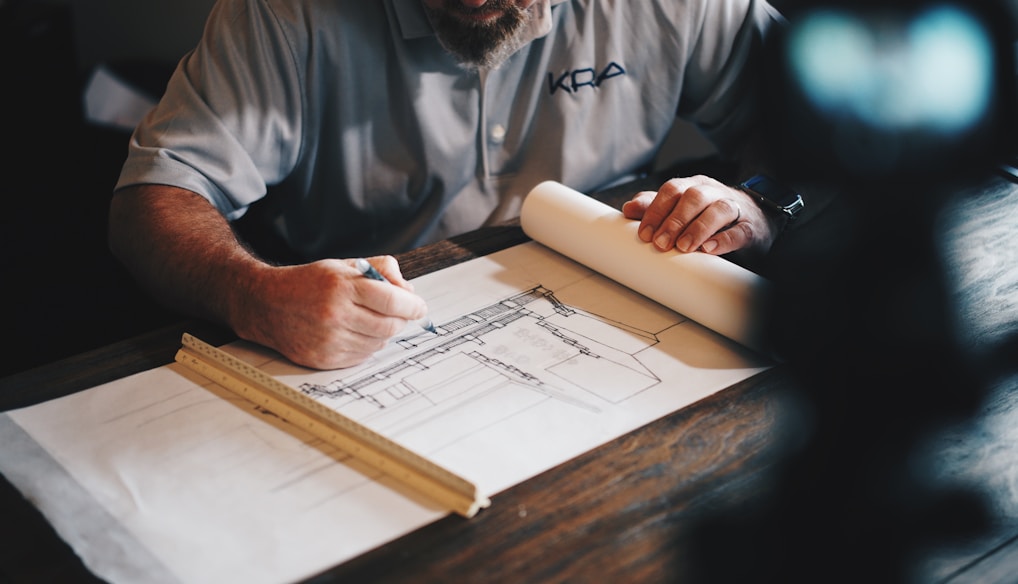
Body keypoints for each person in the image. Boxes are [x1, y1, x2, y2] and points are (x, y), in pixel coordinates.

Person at [109, 0, 792, 371]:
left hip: (629, 330)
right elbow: (154, 198)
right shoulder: (283, 15)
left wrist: (758, 202)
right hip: (360, 337)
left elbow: (840, 131)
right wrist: (248, 293)